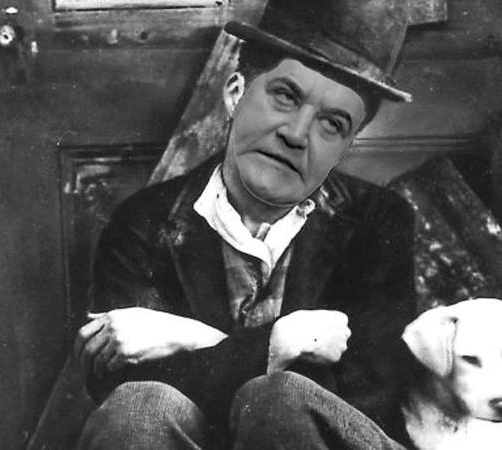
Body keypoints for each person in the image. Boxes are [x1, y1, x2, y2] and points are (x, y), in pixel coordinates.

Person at [74, 1, 418, 448]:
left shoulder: (377, 221)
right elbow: (120, 384)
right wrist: (277, 344)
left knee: (284, 399)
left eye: (332, 124)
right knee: (141, 407)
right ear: (235, 93)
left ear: (346, 147)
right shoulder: (145, 222)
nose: (296, 134)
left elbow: (369, 399)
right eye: (285, 96)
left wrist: (190, 341)